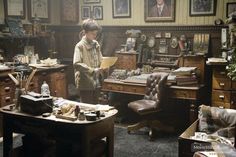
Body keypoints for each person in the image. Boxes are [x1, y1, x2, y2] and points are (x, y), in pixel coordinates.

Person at [73, 19, 104, 104]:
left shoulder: (96, 44)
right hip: (85, 82)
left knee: (96, 106)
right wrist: (92, 70)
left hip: (96, 81)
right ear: (85, 32)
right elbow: (76, 64)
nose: (95, 36)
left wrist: (105, 65)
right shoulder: (80, 46)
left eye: (96, 34)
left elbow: (100, 59)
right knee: (87, 107)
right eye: (92, 34)